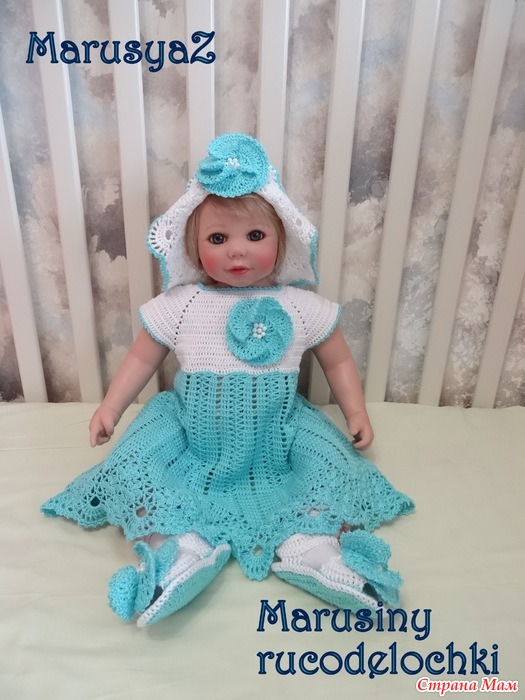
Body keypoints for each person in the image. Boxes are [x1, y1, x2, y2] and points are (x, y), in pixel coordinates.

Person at [42, 133, 413, 627]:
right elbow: (141, 358)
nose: (238, 252)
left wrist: (356, 411)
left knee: (327, 467)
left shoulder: (299, 306)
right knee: (139, 465)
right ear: (194, 248)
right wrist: (111, 407)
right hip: (191, 435)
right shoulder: (182, 304)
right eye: (218, 239)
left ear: (281, 239)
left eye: (255, 236)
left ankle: (311, 545)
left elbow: (338, 361)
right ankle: (179, 547)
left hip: (277, 435)